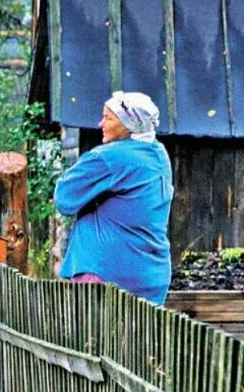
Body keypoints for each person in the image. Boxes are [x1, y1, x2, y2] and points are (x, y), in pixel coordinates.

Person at [54, 91, 174, 305]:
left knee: (92, 339)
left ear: (129, 124)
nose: (100, 123)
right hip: (151, 276)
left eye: (108, 118)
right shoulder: (158, 154)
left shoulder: (108, 157)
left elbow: (65, 199)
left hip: (105, 273)